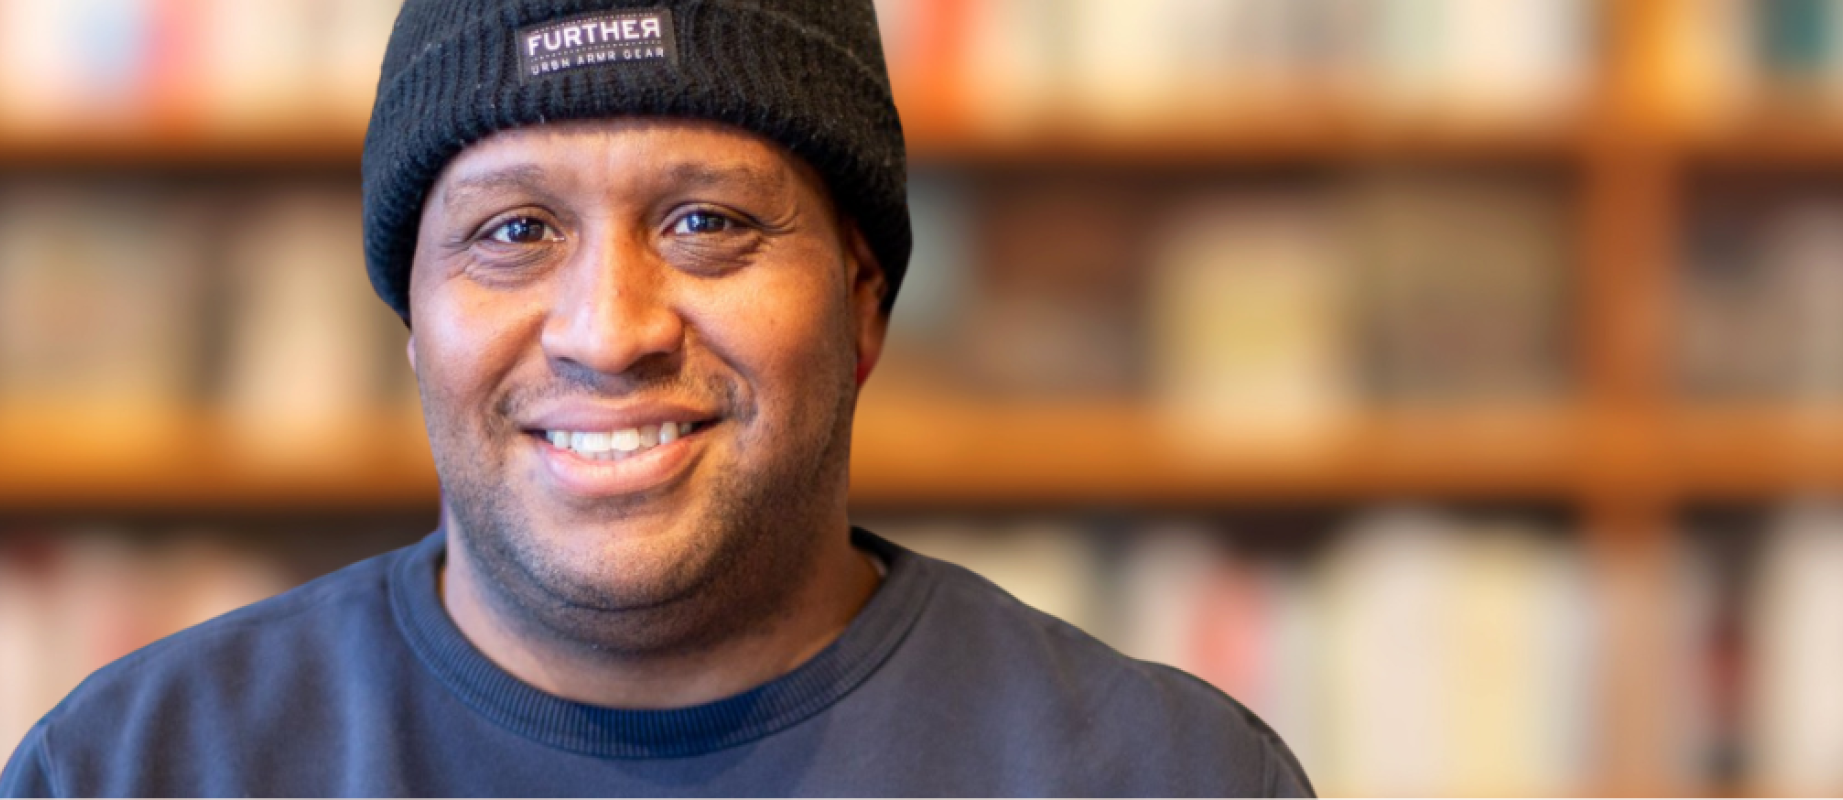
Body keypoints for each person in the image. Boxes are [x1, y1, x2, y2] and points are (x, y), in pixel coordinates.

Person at [0, 0, 1313, 795]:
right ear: (414, 323)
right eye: (513, 233)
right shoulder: (137, 773)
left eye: (704, 222)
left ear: (863, 300)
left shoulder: (1163, 779)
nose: (609, 331)